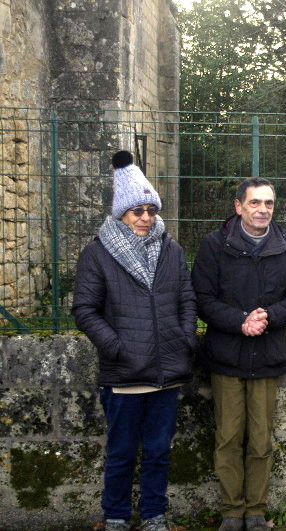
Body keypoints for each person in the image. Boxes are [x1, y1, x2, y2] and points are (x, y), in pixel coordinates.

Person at [72, 150, 197, 531]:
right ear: (121, 213)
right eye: (137, 211)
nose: (145, 218)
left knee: (159, 452)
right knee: (122, 453)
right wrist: (116, 347)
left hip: (166, 371)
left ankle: (155, 515)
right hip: (124, 374)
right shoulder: (97, 253)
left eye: (151, 210)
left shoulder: (171, 250)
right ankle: (115, 517)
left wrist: (184, 337)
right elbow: (85, 310)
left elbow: (186, 298)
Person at [191, 177, 286, 531]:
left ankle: (256, 511)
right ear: (238, 206)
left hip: (267, 356)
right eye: (255, 203)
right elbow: (202, 299)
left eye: (269, 204)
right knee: (228, 438)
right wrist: (240, 321)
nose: (262, 210)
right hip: (226, 357)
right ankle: (232, 512)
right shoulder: (214, 245)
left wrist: (268, 317)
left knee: (261, 440)